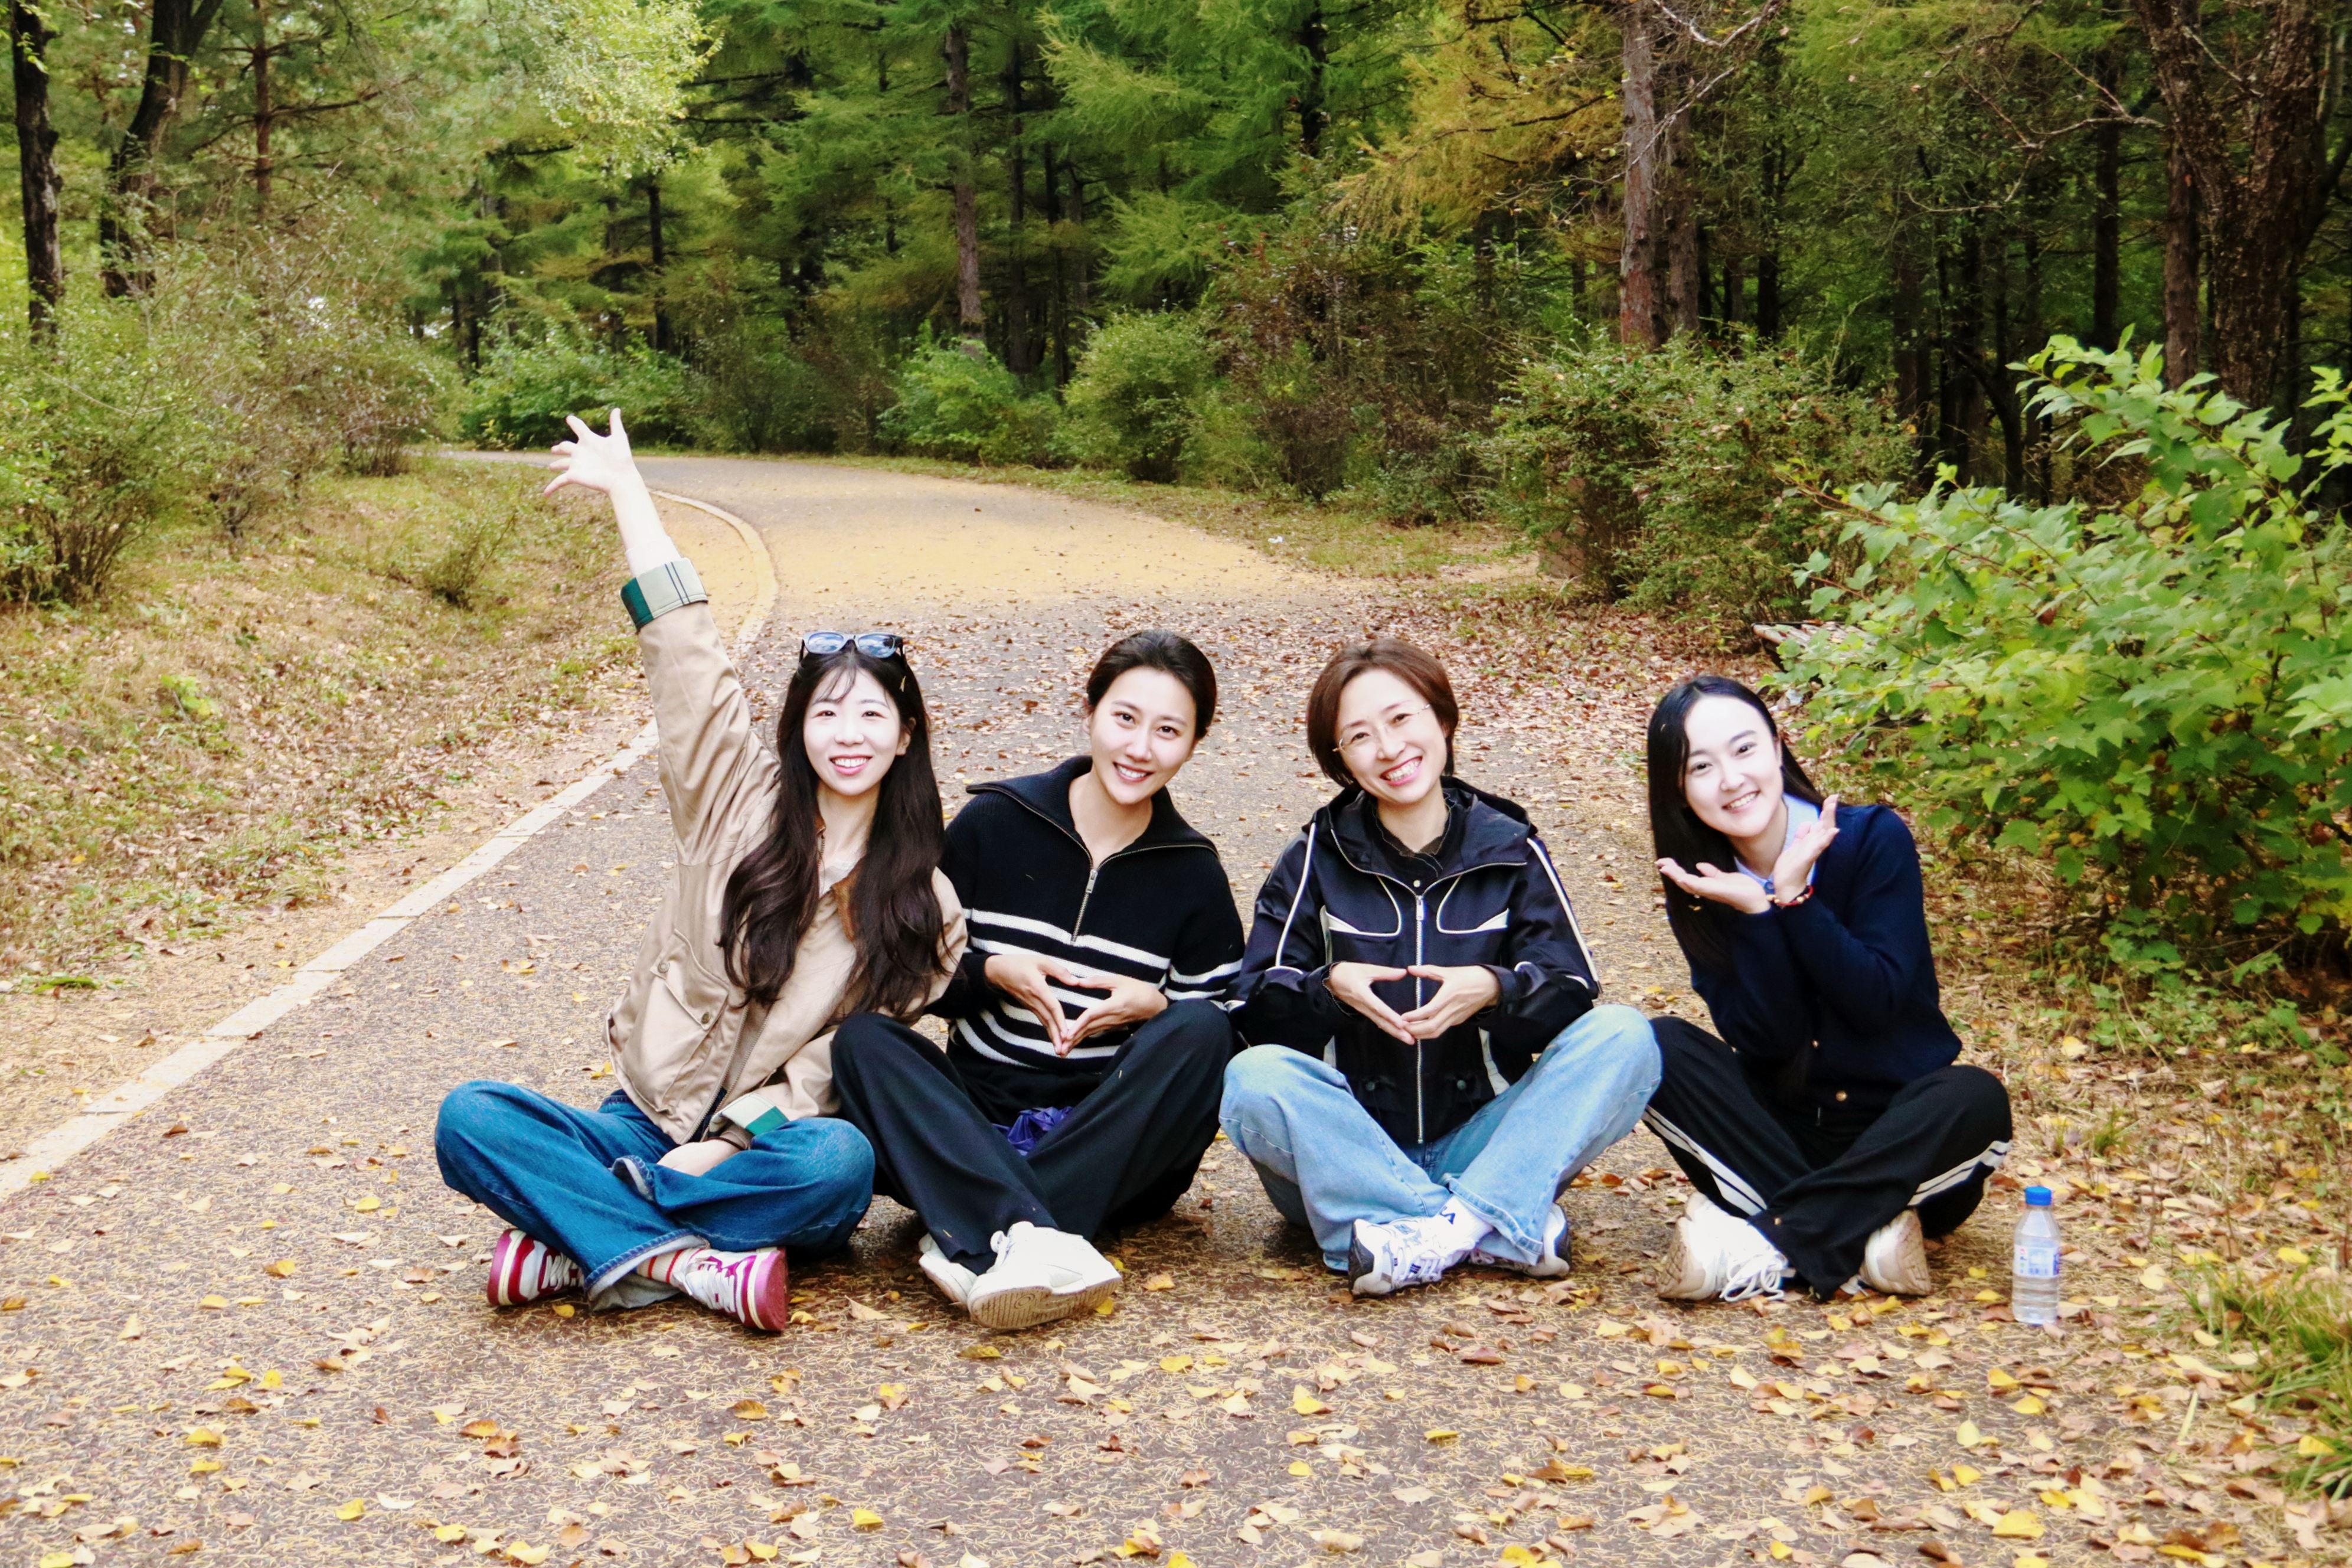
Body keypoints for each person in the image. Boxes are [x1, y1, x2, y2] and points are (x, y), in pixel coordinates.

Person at [435, 410, 966, 1330]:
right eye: (827, 714)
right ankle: (689, 1264)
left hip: (763, 1151)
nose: (848, 735)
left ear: (905, 735)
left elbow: (834, 1067)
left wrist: (723, 1147)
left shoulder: (928, 906)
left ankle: (582, 1238)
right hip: (638, 1122)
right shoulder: (732, 796)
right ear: (798, 727)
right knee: (470, 1118)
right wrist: (629, 492)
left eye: (871, 716)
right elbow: (685, 655)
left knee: (840, 1168)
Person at [830, 631, 1244, 1331]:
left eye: (1168, 730)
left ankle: (977, 1232)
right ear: (1091, 711)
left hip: (1107, 1143)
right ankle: (1038, 1232)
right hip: (972, 1126)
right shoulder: (994, 825)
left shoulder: (1194, 874)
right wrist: (991, 972)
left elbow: (1227, 1035)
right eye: (1125, 718)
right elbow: (910, 974)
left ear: (1194, 743)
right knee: (863, 1041)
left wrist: (1157, 1007)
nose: (1140, 747)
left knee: (1203, 1028)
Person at [1222, 638, 1660, 1297]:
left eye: (1402, 718)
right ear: (1339, 759)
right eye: (1359, 736)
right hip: (1343, 1152)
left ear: (1443, 718)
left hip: (1485, 1145)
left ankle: (1427, 1235)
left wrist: (1495, 989)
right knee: (1252, 1078)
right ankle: (1494, 1226)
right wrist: (1329, 989)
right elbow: (1253, 1007)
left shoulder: (1511, 848)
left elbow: (1570, 990)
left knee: (1626, 1036)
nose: (1389, 748)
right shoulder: (1315, 856)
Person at [1640, 674, 2012, 1303]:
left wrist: (1798, 901)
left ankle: (1761, 1244)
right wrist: (1757, 916)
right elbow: (1769, 1042)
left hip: (1903, 1140)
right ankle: (1865, 1237)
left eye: (1744, 749)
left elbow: (1878, 1003)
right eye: (1700, 766)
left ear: (1777, 746)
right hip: (1782, 1133)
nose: (1731, 779)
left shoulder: (1871, 839)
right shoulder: (1705, 887)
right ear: (1678, 788)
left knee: (1975, 1096)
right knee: (1654, 1047)